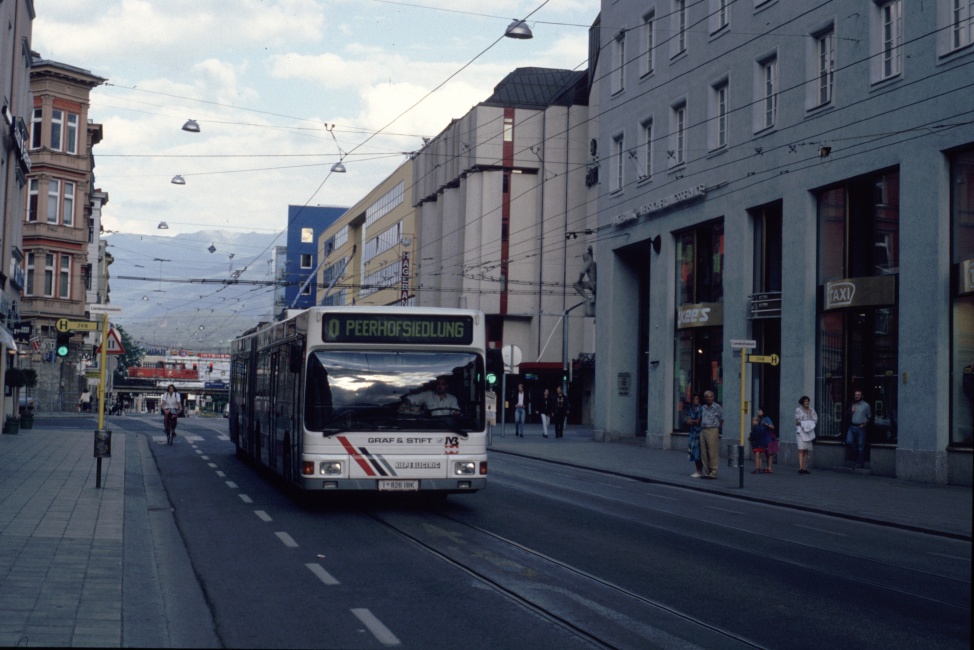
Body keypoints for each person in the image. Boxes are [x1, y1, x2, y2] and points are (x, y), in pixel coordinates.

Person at [699, 390, 723, 479]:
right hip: (703, 430)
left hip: (712, 429)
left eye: (710, 397)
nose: (709, 398)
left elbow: (722, 419)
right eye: (707, 397)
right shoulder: (703, 407)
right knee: (704, 452)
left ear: (713, 397)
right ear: (705, 398)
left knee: (712, 452)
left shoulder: (717, 407)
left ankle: (713, 472)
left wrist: (718, 429)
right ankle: (707, 472)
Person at [845, 390, 872, 469]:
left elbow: (869, 417)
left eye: (858, 395)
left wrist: (864, 424)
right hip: (852, 426)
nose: (856, 396)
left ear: (862, 396)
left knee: (861, 446)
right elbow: (846, 415)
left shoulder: (866, 405)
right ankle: (857, 456)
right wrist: (851, 411)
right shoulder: (852, 404)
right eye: (856, 395)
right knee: (849, 442)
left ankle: (859, 463)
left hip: (861, 427)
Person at [795, 395, 818, 474]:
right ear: (802, 402)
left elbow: (815, 420)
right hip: (801, 431)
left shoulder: (812, 410)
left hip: (809, 432)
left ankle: (804, 468)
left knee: (806, 450)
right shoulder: (798, 410)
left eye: (808, 401)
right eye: (805, 401)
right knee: (801, 449)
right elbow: (797, 421)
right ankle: (800, 468)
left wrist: (809, 424)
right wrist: (804, 423)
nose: (807, 402)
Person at [685, 394, 704, 478]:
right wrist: (693, 421)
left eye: (697, 398)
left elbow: (698, 422)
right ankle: (697, 471)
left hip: (699, 433)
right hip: (692, 433)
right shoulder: (692, 408)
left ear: (699, 400)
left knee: (698, 452)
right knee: (693, 452)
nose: (695, 400)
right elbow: (687, 421)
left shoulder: (701, 408)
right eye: (694, 398)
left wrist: (692, 421)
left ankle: (700, 471)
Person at [759, 408, 777, 472]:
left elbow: (772, 427)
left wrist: (767, 425)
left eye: (760, 411)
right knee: (767, 453)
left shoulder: (767, 418)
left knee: (770, 453)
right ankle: (768, 467)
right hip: (765, 438)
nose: (758, 412)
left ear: (763, 412)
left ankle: (769, 467)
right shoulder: (761, 420)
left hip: (769, 438)